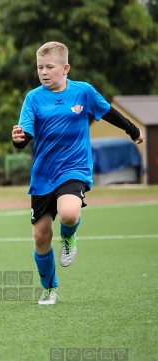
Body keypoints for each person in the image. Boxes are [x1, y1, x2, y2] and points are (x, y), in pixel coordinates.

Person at [11, 41, 144, 305]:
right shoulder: (33, 98)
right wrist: (18, 139)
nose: (44, 72)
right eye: (40, 67)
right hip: (43, 175)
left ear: (65, 68)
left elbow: (108, 113)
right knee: (41, 236)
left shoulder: (83, 92)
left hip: (75, 168)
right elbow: (25, 135)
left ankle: (69, 238)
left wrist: (133, 130)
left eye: (50, 67)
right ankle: (49, 287)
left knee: (69, 213)